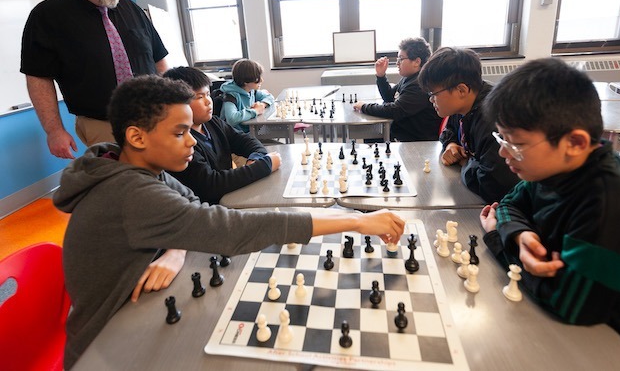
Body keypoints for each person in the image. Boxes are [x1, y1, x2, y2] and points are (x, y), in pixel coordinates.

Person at [54, 75, 405, 369]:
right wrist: (354, 222)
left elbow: (191, 205)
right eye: (180, 133)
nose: (192, 140)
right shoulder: (131, 191)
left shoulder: (128, 166)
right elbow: (230, 230)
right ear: (137, 137)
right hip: (107, 345)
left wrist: (177, 247)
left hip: (139, 314)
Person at [478, 58, 620, 369]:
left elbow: (568, 304)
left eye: (516, 144)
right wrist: (521, 235)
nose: (503, 153)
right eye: (501, 139)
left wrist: (498, 239)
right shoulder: (554, 168)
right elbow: (508, 204)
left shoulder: (612, 205)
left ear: (574, 142)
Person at [20, 0, 168, 159]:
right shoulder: (48, 16)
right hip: (103, 125)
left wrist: (173, 107)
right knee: (123, 186)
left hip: (156, 117)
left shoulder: (132, 10)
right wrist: (54, 131)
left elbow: (160, 61)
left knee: (167, 183)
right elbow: (38, 78)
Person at [162, 66, 281, 203]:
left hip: (228, 198)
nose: (208, 101)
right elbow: (212, 184)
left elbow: (246, 141)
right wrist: (262, 166)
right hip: (208, 209)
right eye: (200, 97)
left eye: (208, 94)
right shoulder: (182, 143)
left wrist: (255, 158)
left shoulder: (213, 123)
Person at [418, 47, 520, 203]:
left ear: (461, 90)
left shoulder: (494, 121)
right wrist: (451, 144)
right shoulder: (462, 104)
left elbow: (492, 186)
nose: (431, 100)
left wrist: (465, 162)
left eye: (433, 94)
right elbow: (449, 130)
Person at [352, 37, 441, 142]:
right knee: (370, 135)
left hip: (415, 140)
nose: (397, 63)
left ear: (416, 62)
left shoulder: (419, 85)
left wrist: (364, 107)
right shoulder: (409, 78)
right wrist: (381, 76)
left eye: (401, 59)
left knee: (372, 138)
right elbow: (389, 97)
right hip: (403, 132)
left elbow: (395, 110)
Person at [219, 59, 275, 133]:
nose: (261, 80)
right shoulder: (231, 96)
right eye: (257, 78)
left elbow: (270, 97)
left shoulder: (251, 91)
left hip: (250, 130)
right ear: (246, 81)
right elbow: (232, 119)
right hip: (234, 135)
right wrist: (255, 111)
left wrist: (262, 105)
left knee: (276, 128)